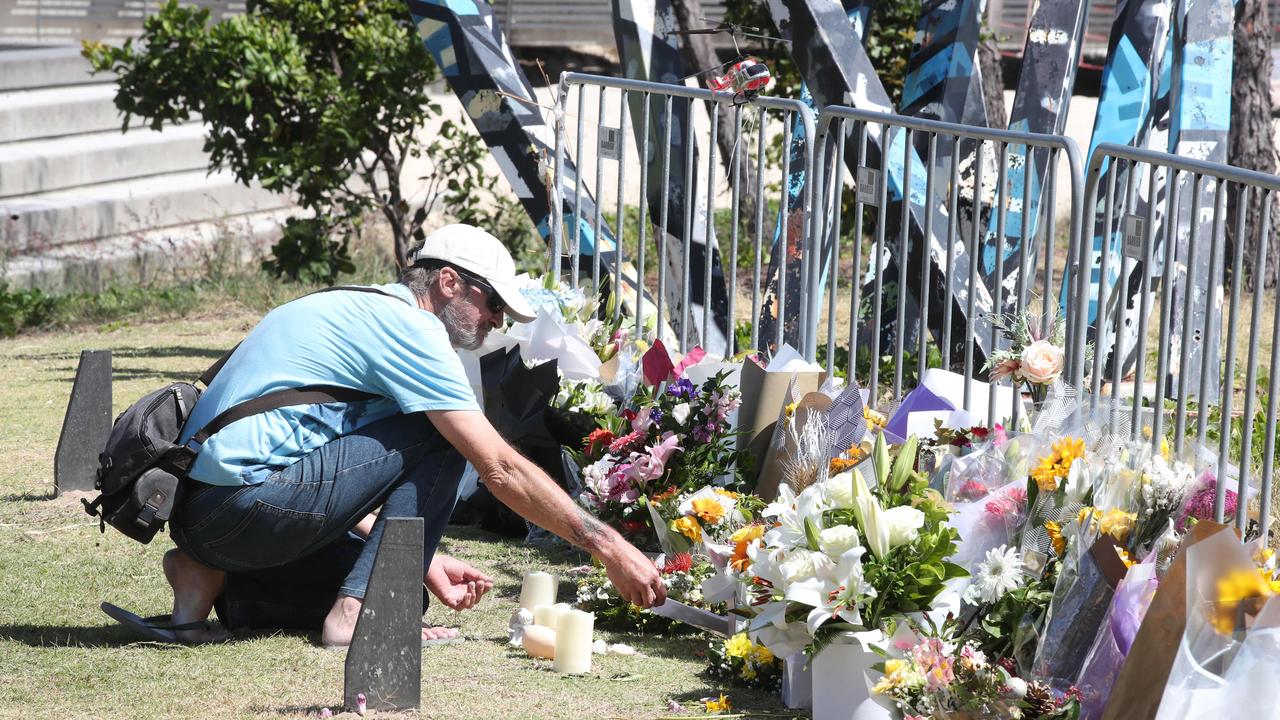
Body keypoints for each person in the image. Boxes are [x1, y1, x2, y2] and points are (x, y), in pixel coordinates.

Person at [161, 223, 666, 644]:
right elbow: (499, 465)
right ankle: (356, 613)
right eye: (492, 302)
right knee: (446, 436)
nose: (497, 319)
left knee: (406, 592)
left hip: (199, 515)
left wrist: (412, 553)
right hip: (243, 509)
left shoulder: (358, 305)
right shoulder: (413, 329)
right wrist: (610, 547)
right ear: (448, 282)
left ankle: (207, 579)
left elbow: (321, 459)